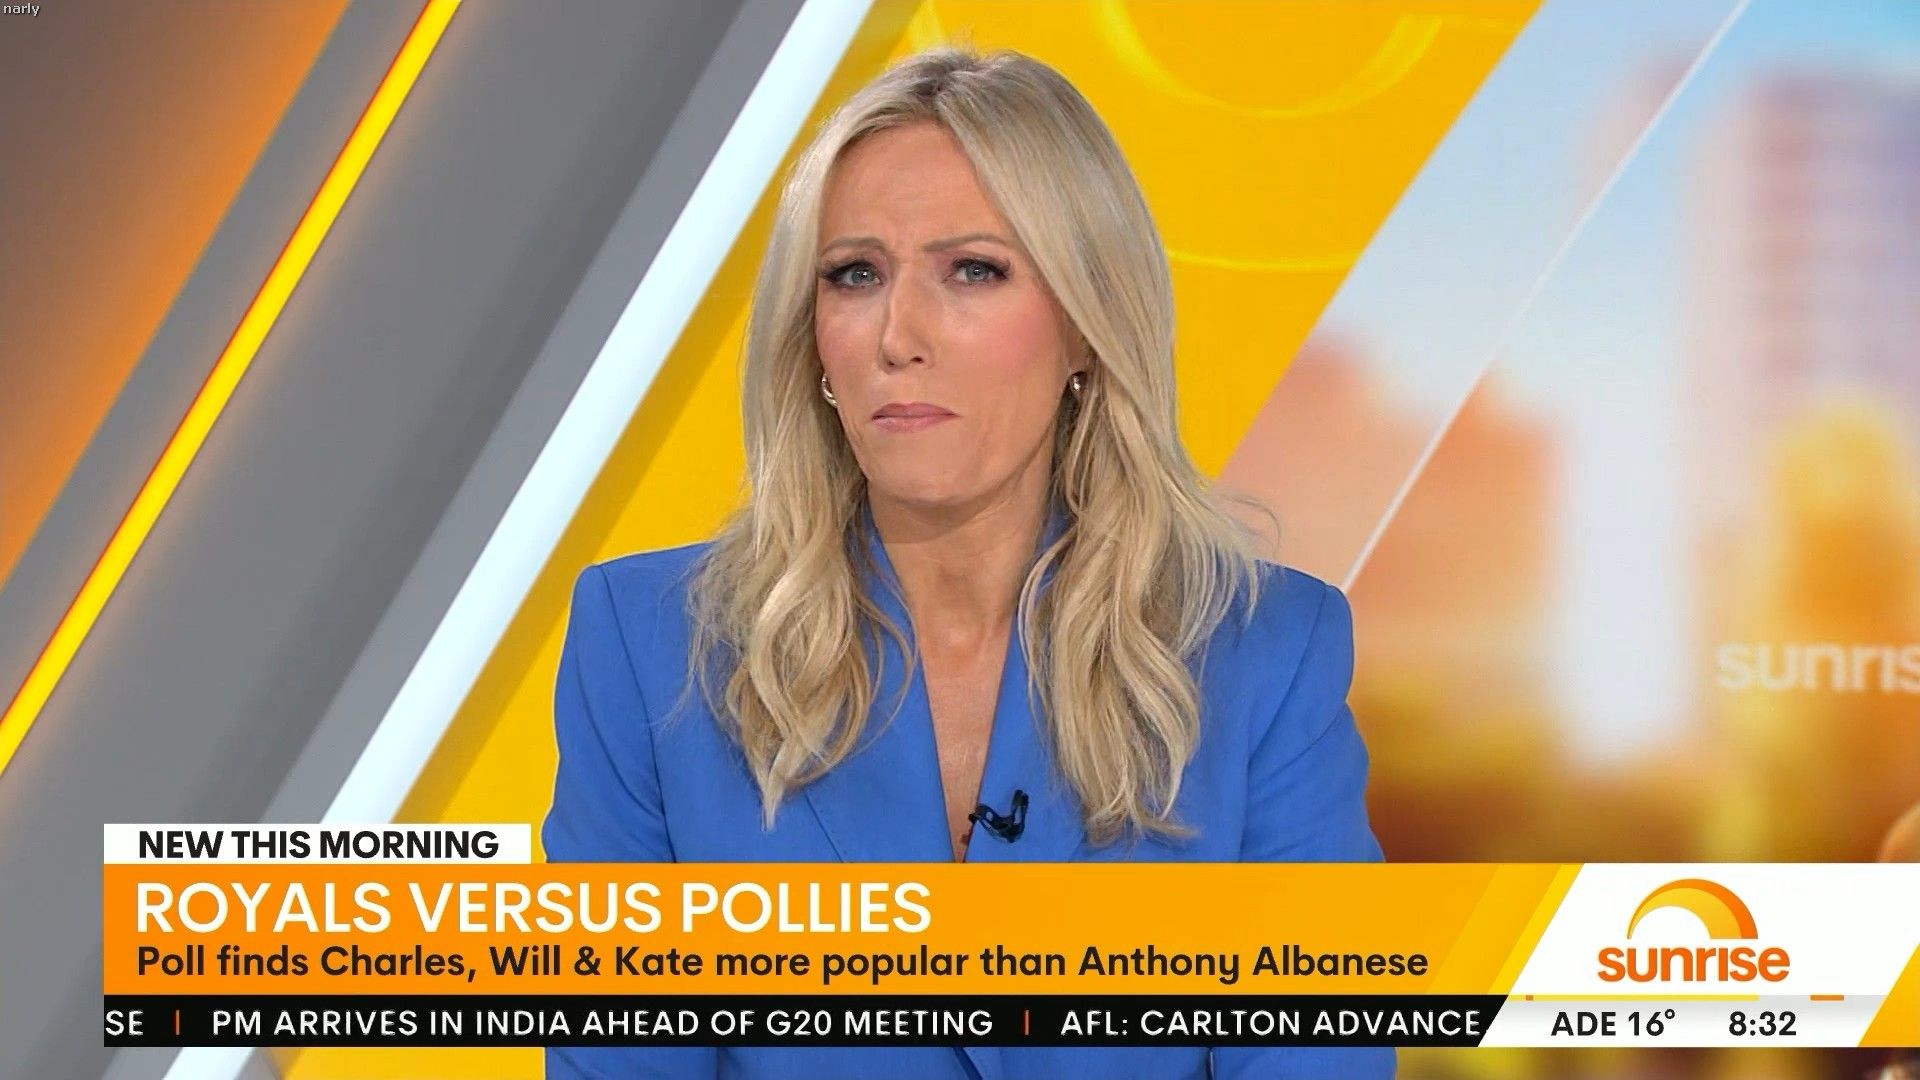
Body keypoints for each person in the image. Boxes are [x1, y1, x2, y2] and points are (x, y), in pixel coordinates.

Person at [544, 44, 1392, 1080]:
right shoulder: (648, 646)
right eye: (855, 275)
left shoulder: (1266, 654)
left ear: (1084, 325)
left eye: (973, 271)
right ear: (813, 339)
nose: (898, 335)